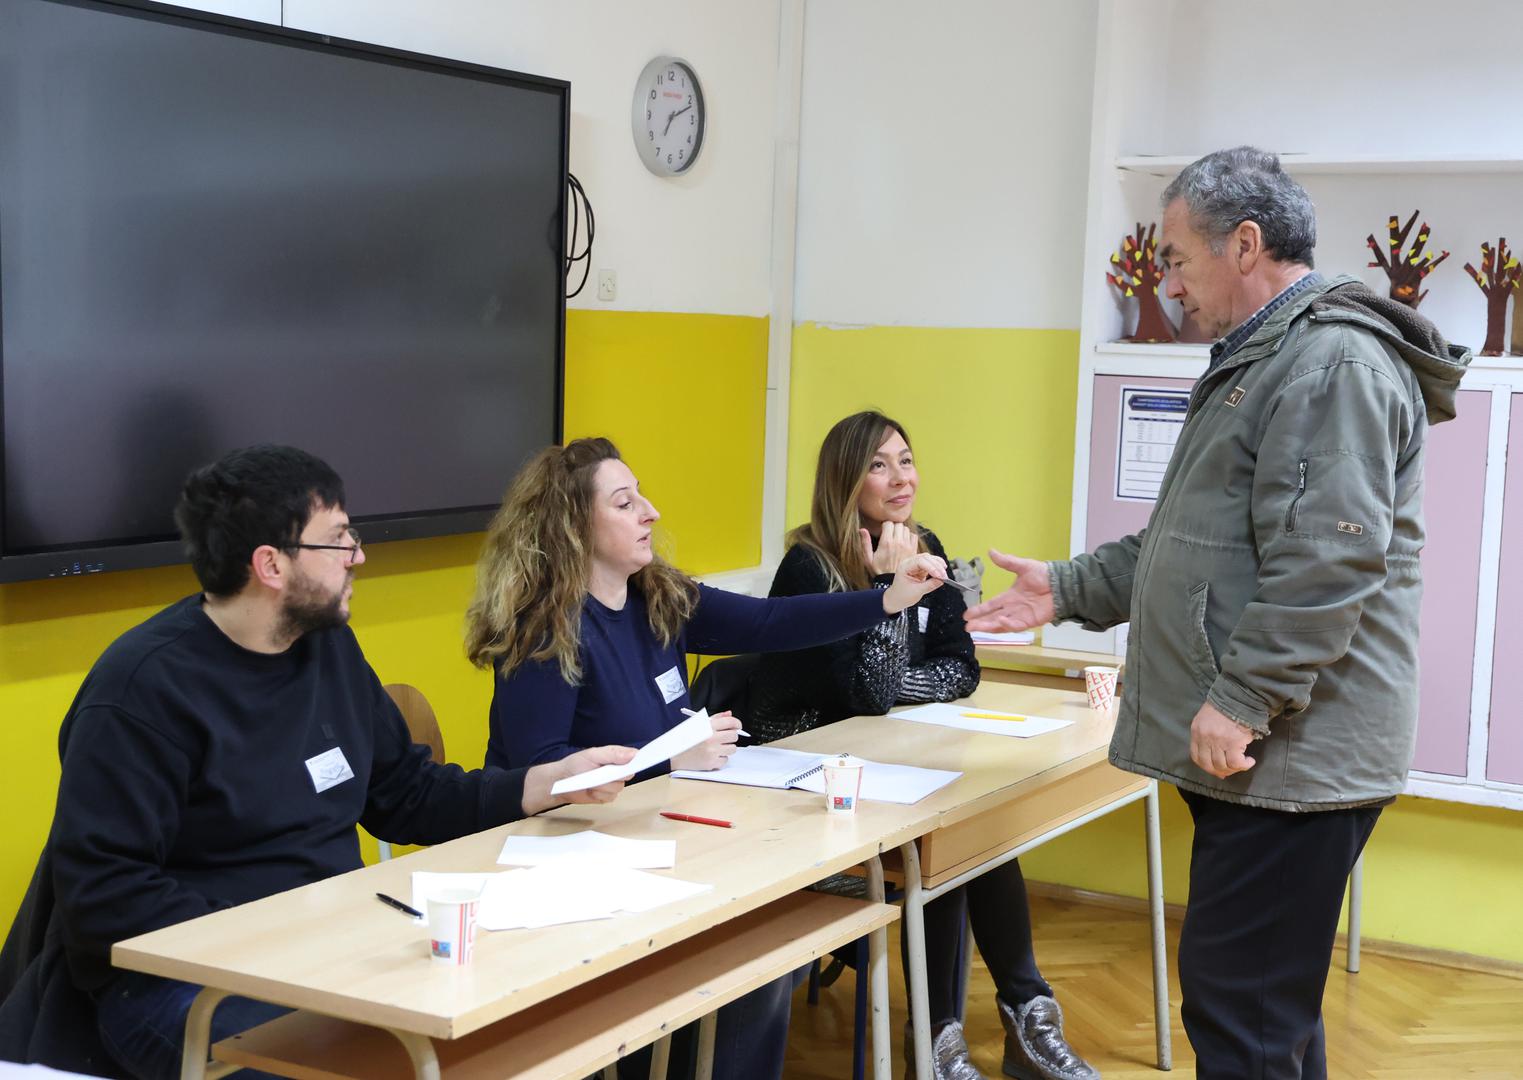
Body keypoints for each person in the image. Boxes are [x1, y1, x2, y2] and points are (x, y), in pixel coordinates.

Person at [967, 147, 1471, 1080]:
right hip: (1272, 754)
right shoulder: (1267, 358)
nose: (1167, 283)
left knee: (1241, 1012)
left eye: (1174, 257)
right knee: (1266, 1011)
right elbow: (1195, 546)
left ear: (1243, 245)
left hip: (1292, 751)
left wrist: (1241, 699)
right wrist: (1066, 588)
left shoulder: (1327, 364)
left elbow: (1329, 558)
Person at [3, 445, 633, 1079]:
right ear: (271, 564)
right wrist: (293, 940)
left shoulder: (327, 647)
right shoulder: (141, 690)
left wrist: (540, 785)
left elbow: (405, 793)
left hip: (324, 956)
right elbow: (107, 897)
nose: (358, 555)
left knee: (518, 1026)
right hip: (180, 984)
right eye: (337, 540)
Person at [465, 435, 950, 1080]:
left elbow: (771, 623)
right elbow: (543, 774)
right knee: (754, 957)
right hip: (564, 863)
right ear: (574, 526)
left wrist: (887, 598)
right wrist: (670, 758)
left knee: (769, 951)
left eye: (641, 496)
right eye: (625, 503)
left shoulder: (658, 597)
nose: (651, 512)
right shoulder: (544, 630)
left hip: (654, 838)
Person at [749, 411, 1099, 1080]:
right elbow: (870, 691)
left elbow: (960, 667)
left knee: (975, 832)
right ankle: (941, 1042)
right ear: (845, 481)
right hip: (802, 783)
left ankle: (1022, 1015)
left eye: (905, 461)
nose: (899, 478)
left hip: (880, 759)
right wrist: (889, 588)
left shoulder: (926, 544)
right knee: (947, 842)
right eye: (878, 465)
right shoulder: (811, 566)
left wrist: (894, 681)